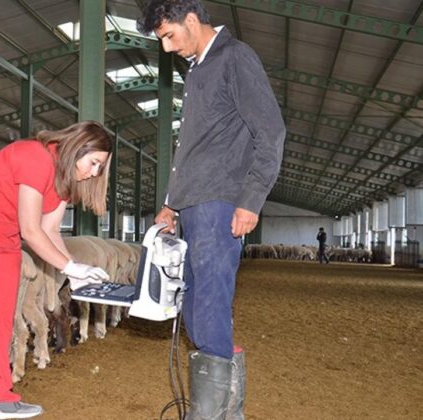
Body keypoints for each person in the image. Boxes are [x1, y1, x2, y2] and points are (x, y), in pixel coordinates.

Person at [138, 1, 285, 419]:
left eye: (169, 35)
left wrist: (250, 200)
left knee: (209, 306)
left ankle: (214, 416)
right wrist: (169, 205)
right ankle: (225, 412)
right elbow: (194, 151)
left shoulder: (235, 58)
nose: (167, 48)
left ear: (190, 20)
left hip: (221, 204)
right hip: (195, 206)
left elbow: (270, 132)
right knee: (195, 307)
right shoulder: (198, 70)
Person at [0, 120, 113, 420]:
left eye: (100, 167)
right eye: (94, 163)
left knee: (2, 316)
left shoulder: (65, 182)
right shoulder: (35, 157)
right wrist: (69, 265)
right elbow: (32, 231)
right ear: (78, 148)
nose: (94, 172)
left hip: (5, 236)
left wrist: (74, 271)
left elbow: (50, 231)